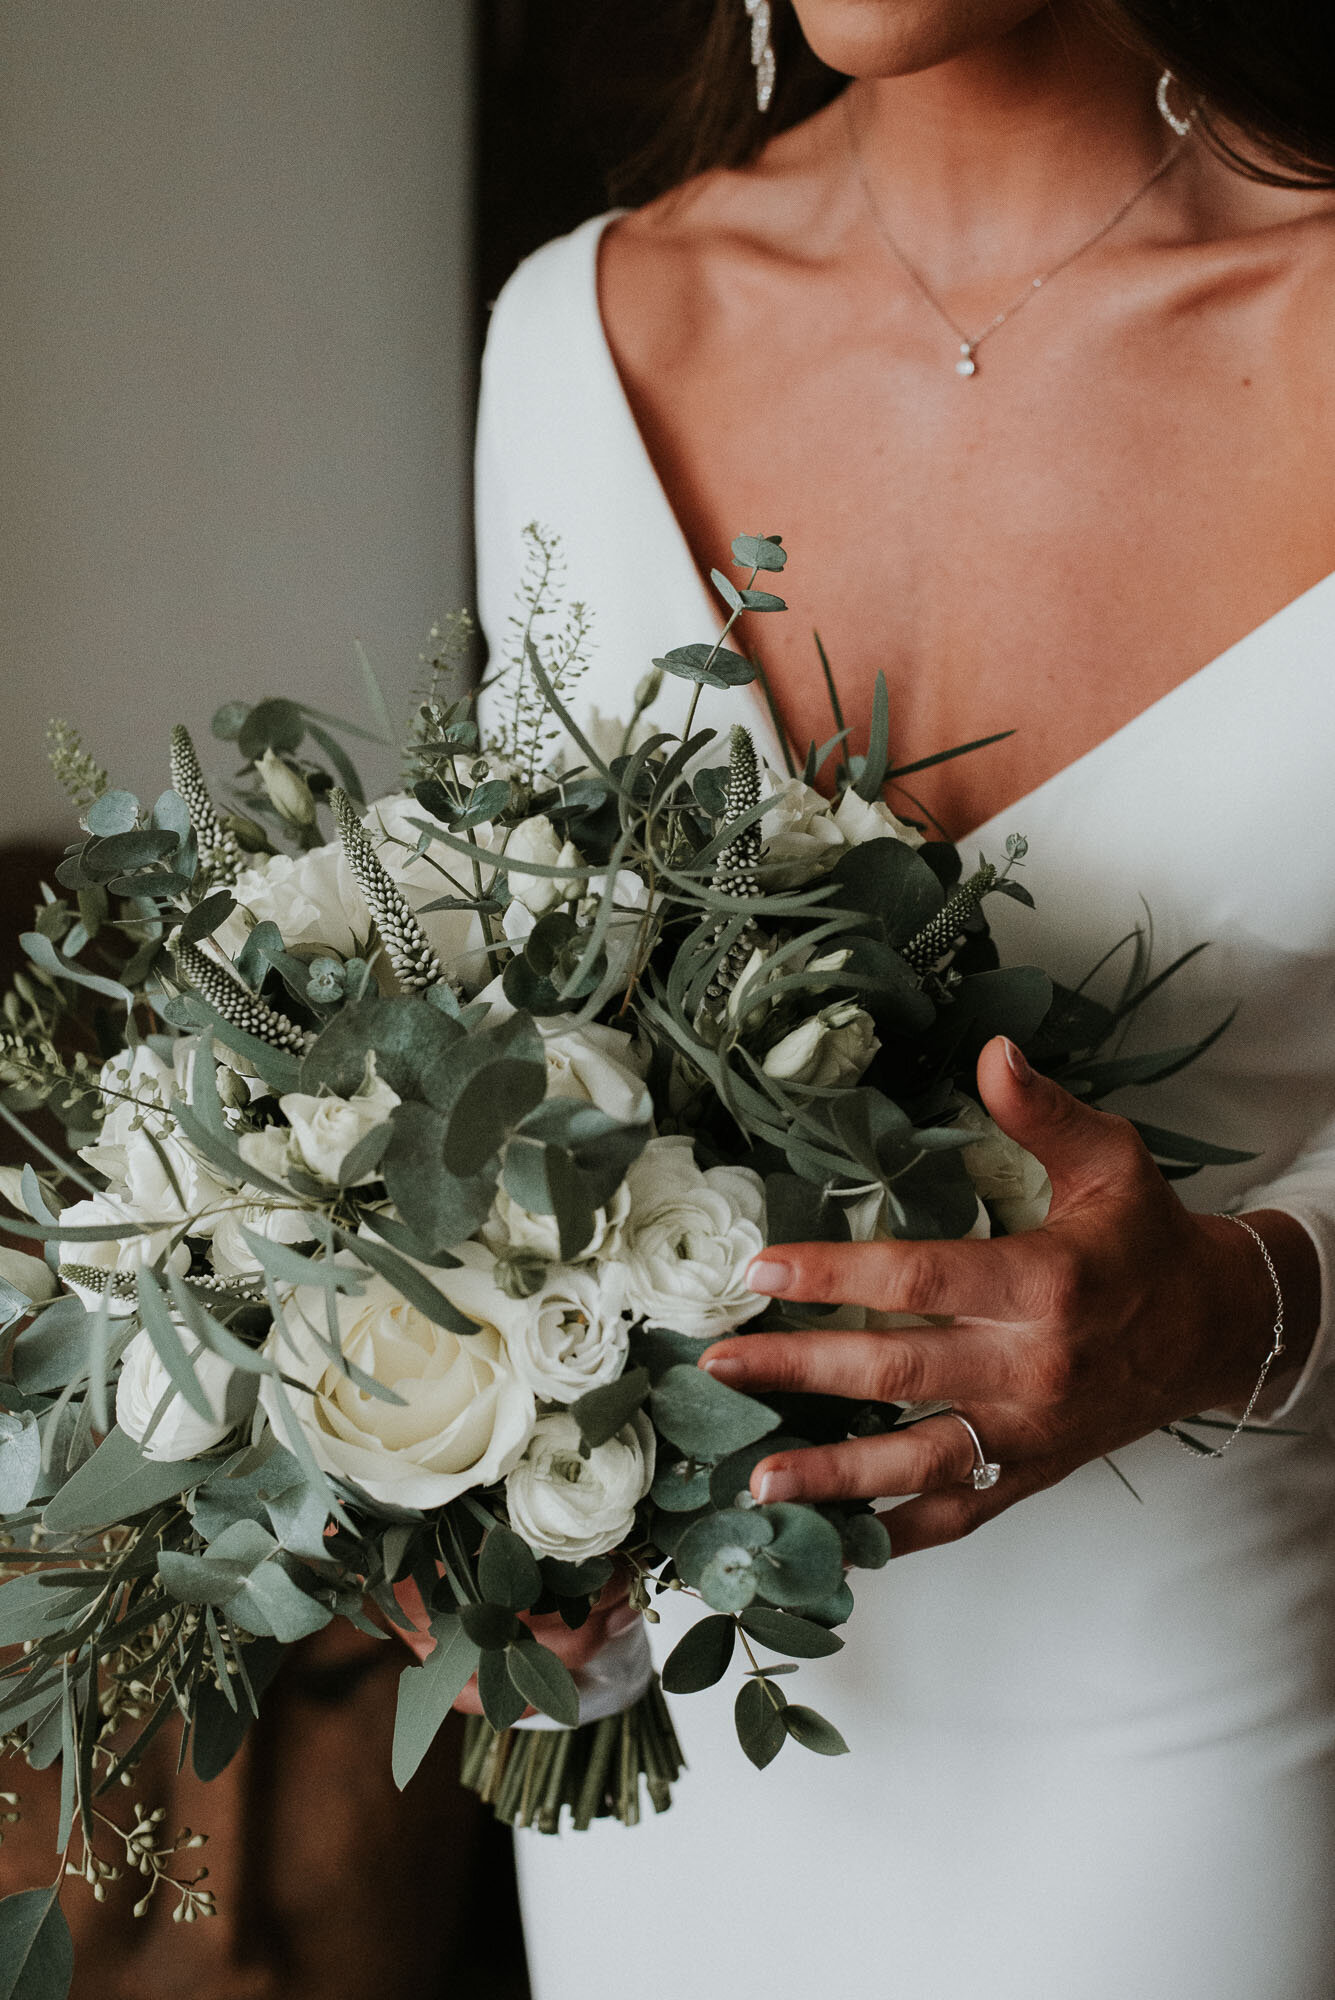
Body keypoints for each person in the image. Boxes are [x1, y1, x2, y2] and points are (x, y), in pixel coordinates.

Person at [469, 4, 1335, 1993]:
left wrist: (1231, 1301)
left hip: (1175, 1754)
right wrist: (446, 1477)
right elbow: (522, 1043)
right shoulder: (576, 340)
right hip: (673, 1761)